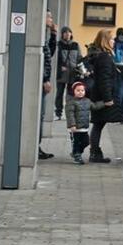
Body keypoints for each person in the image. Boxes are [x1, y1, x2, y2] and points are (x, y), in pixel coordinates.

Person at [85, 29, 121, 163]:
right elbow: (104, 79)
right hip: (102, 96)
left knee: (98, 124)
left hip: (98, 94)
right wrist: (108, 99)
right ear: (105, 41)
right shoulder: (105, 57)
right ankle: (95, 153)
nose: (114, 42)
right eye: (111, 39)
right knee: (98, 124)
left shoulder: (100, 56)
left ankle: (95, 152)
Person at [38, 11, 57, 160]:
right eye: (49, 16)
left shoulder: (44, 35)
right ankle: (35, 147)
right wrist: (45, 79)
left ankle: (37, 146)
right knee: (39, 114)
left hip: (43, 80)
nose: (51, 19)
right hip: (40, 82)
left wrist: (54, 34)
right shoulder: (37, 34)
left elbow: (49, 53)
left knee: (41, 114)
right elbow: (43, 60)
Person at [64, 80, 96, 164]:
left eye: (82, 90)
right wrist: (72, 125)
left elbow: (95, 106)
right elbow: (70, 115)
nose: (80, 92)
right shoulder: (71, 102)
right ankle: (77, 155)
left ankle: (76, 153)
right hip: (75, 128)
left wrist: (104, 103)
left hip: (84, 127)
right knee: (76, 142)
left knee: (86, 141)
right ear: (73, 91)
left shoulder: (87, 101)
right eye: (78, 90)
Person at [54, 26, 80, 120]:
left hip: (72, 72)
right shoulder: (58, 45)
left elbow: (79, 58)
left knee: (70, 93)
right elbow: (56, 58)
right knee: (59, 93)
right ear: (62, 34)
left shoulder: (76, 45)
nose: (67, 34)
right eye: (65, 32)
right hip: (62, 72)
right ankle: (58, 113)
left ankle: (69, 112)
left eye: (69, 32)